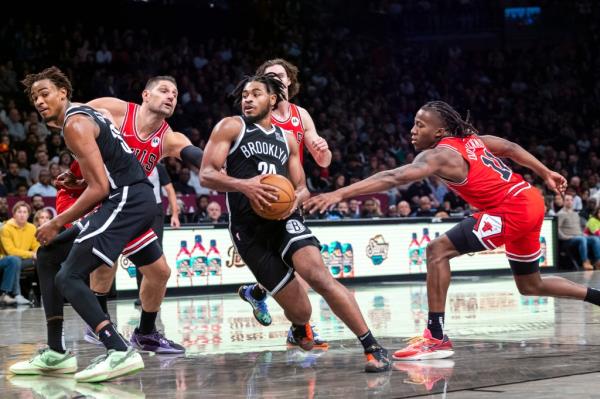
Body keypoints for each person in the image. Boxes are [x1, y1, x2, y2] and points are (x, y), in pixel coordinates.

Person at [304, 100, 600, 361]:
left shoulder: (440, 154)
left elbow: (394, 176)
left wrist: (339, 195)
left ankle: (436, 336)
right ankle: (597, 296)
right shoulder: (473, 140)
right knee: (531, 285)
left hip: (512, 208)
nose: (413, 130)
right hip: (529, 200)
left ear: (439, 132)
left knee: (436, 250)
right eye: (414, 124)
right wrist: (545, 173)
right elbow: (510, 149)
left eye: (420, 125)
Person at [200, 73, 390, 372]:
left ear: (272, 99)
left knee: (319, 276)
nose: (247, 99)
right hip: (248, 230)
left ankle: (372, 347)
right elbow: (207, 174)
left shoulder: (285, 138)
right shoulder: (231, 127)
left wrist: (291, 201)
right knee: (302, 310)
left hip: (285, 221)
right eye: (245, 95)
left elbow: (301, 187)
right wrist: (245, 185)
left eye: (256, 94)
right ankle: (301, 327)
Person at [10, 66, 159, 381]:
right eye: (34, 96)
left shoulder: (74, 124)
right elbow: (106, 172)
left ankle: (118, 350)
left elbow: (101, 189)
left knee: (70, 276)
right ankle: (55, 353)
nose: (38, 100)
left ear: (63, 92)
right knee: (48, 255)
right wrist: (77, 183)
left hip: (126, 201)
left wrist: (57, 221)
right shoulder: (89, 113)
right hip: (127, 198)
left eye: (45, 93)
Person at [238, 59, 332, 348]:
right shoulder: (258, 113)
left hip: (291, 196)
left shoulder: (301, 115)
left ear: (289, 81)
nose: (274, 79)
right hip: (262, 197)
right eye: (268, 76)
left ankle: (282, 314)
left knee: (301, 264)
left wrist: (322, 150)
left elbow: (323, 161)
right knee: (288, 266)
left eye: (278, 75)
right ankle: (295, 323)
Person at [0, 201, 39, 305]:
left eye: (25, 212)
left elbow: (36, 246)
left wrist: (37, 254)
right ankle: (11, 294)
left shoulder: (32, 228)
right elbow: (10, 251)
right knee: (14, 260)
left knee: (43, 259)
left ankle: (42, 295)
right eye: (19, 212)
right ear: (14, 214)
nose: (22, 214)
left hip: (23, 260)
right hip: (5, 259)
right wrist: (32, 254)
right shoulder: (6, 228)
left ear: (28, 214)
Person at [558, 194, 600, 270]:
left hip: (579, 236)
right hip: (568, 239)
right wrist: (565, 237)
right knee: (582, 239)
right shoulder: (561, 214)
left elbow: (579, 227)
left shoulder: (575, 213)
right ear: (563, 202)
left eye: (571, 200)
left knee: (595, 239)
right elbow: (557, 228)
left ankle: (598, 261)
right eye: (567, 200)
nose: (569, 202)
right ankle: (585, 262)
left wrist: (583, 233)